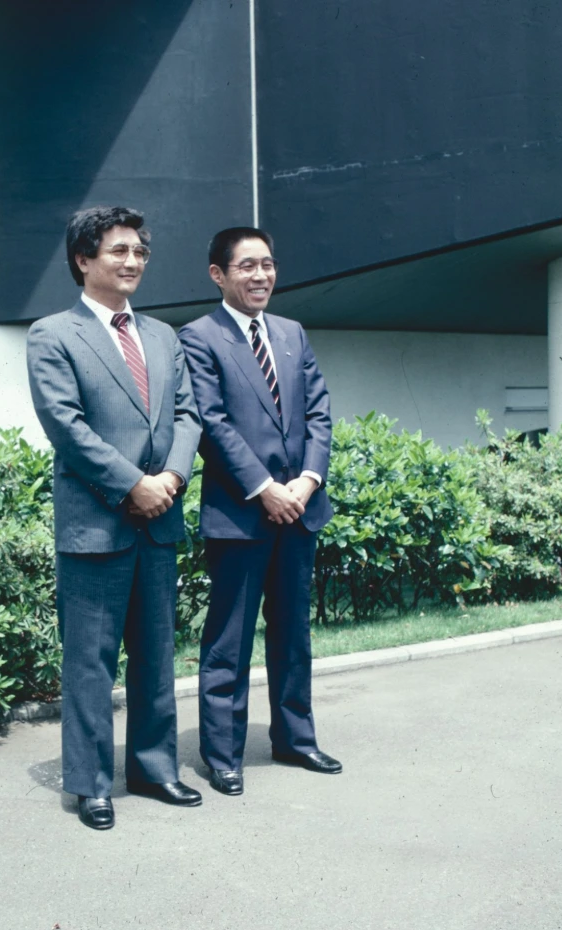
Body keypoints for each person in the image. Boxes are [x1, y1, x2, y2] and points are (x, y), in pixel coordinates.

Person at [27, 206, 202, 829]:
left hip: (158, 520)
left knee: (156, 654)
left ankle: (155, 769)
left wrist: (171, 481)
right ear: (83, 258)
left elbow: (188, 415)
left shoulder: (162, 336)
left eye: (140, 253)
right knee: (90, 662)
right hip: (96, 524)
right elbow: (66, 427)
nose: (133, 262)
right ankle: (91, 783)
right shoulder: (52, 334)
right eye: (119, 251)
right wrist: (133, 484)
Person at [178, 226, 342, 796]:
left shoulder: (292, 333)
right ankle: (222, 755)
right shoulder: (197, 337)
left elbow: (319, 412)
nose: (261, 276)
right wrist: (265, 489)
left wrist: (305, 482)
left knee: (293, 635)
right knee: (229, 639)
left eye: (268, 264)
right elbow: (211, 423)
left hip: (299, 511)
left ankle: (295, 739)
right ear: (218, 274)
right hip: (241, 515)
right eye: (247, 266)